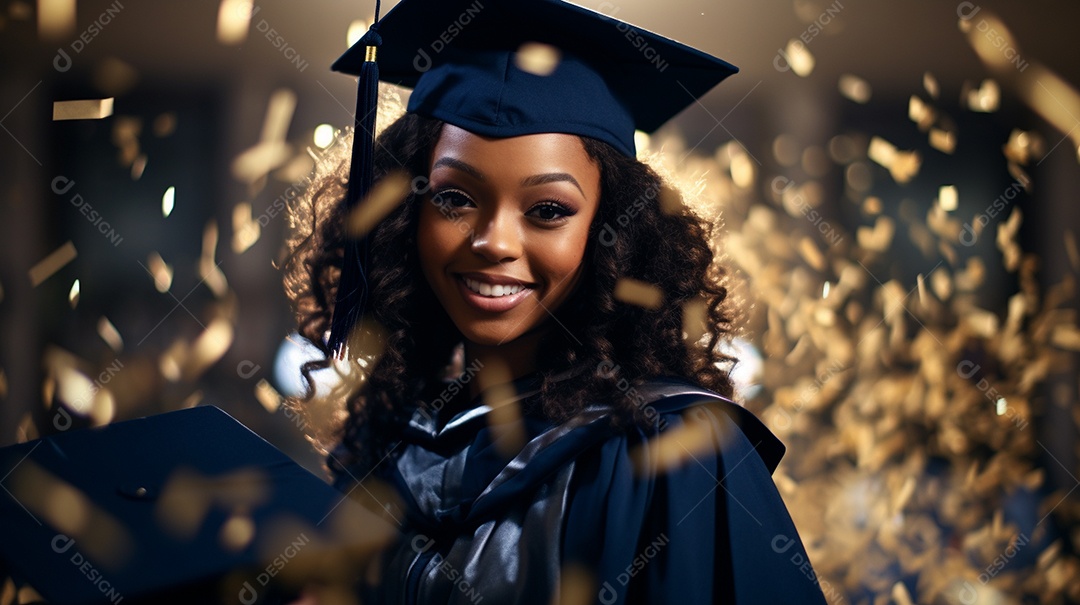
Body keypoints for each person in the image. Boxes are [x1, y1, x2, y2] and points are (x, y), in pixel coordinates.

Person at [282, 0, 828, 602]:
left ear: (610, 232)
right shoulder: (388, 448)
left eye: (548, 211)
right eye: (454, 199)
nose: (493, 242)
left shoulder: (679, 454)